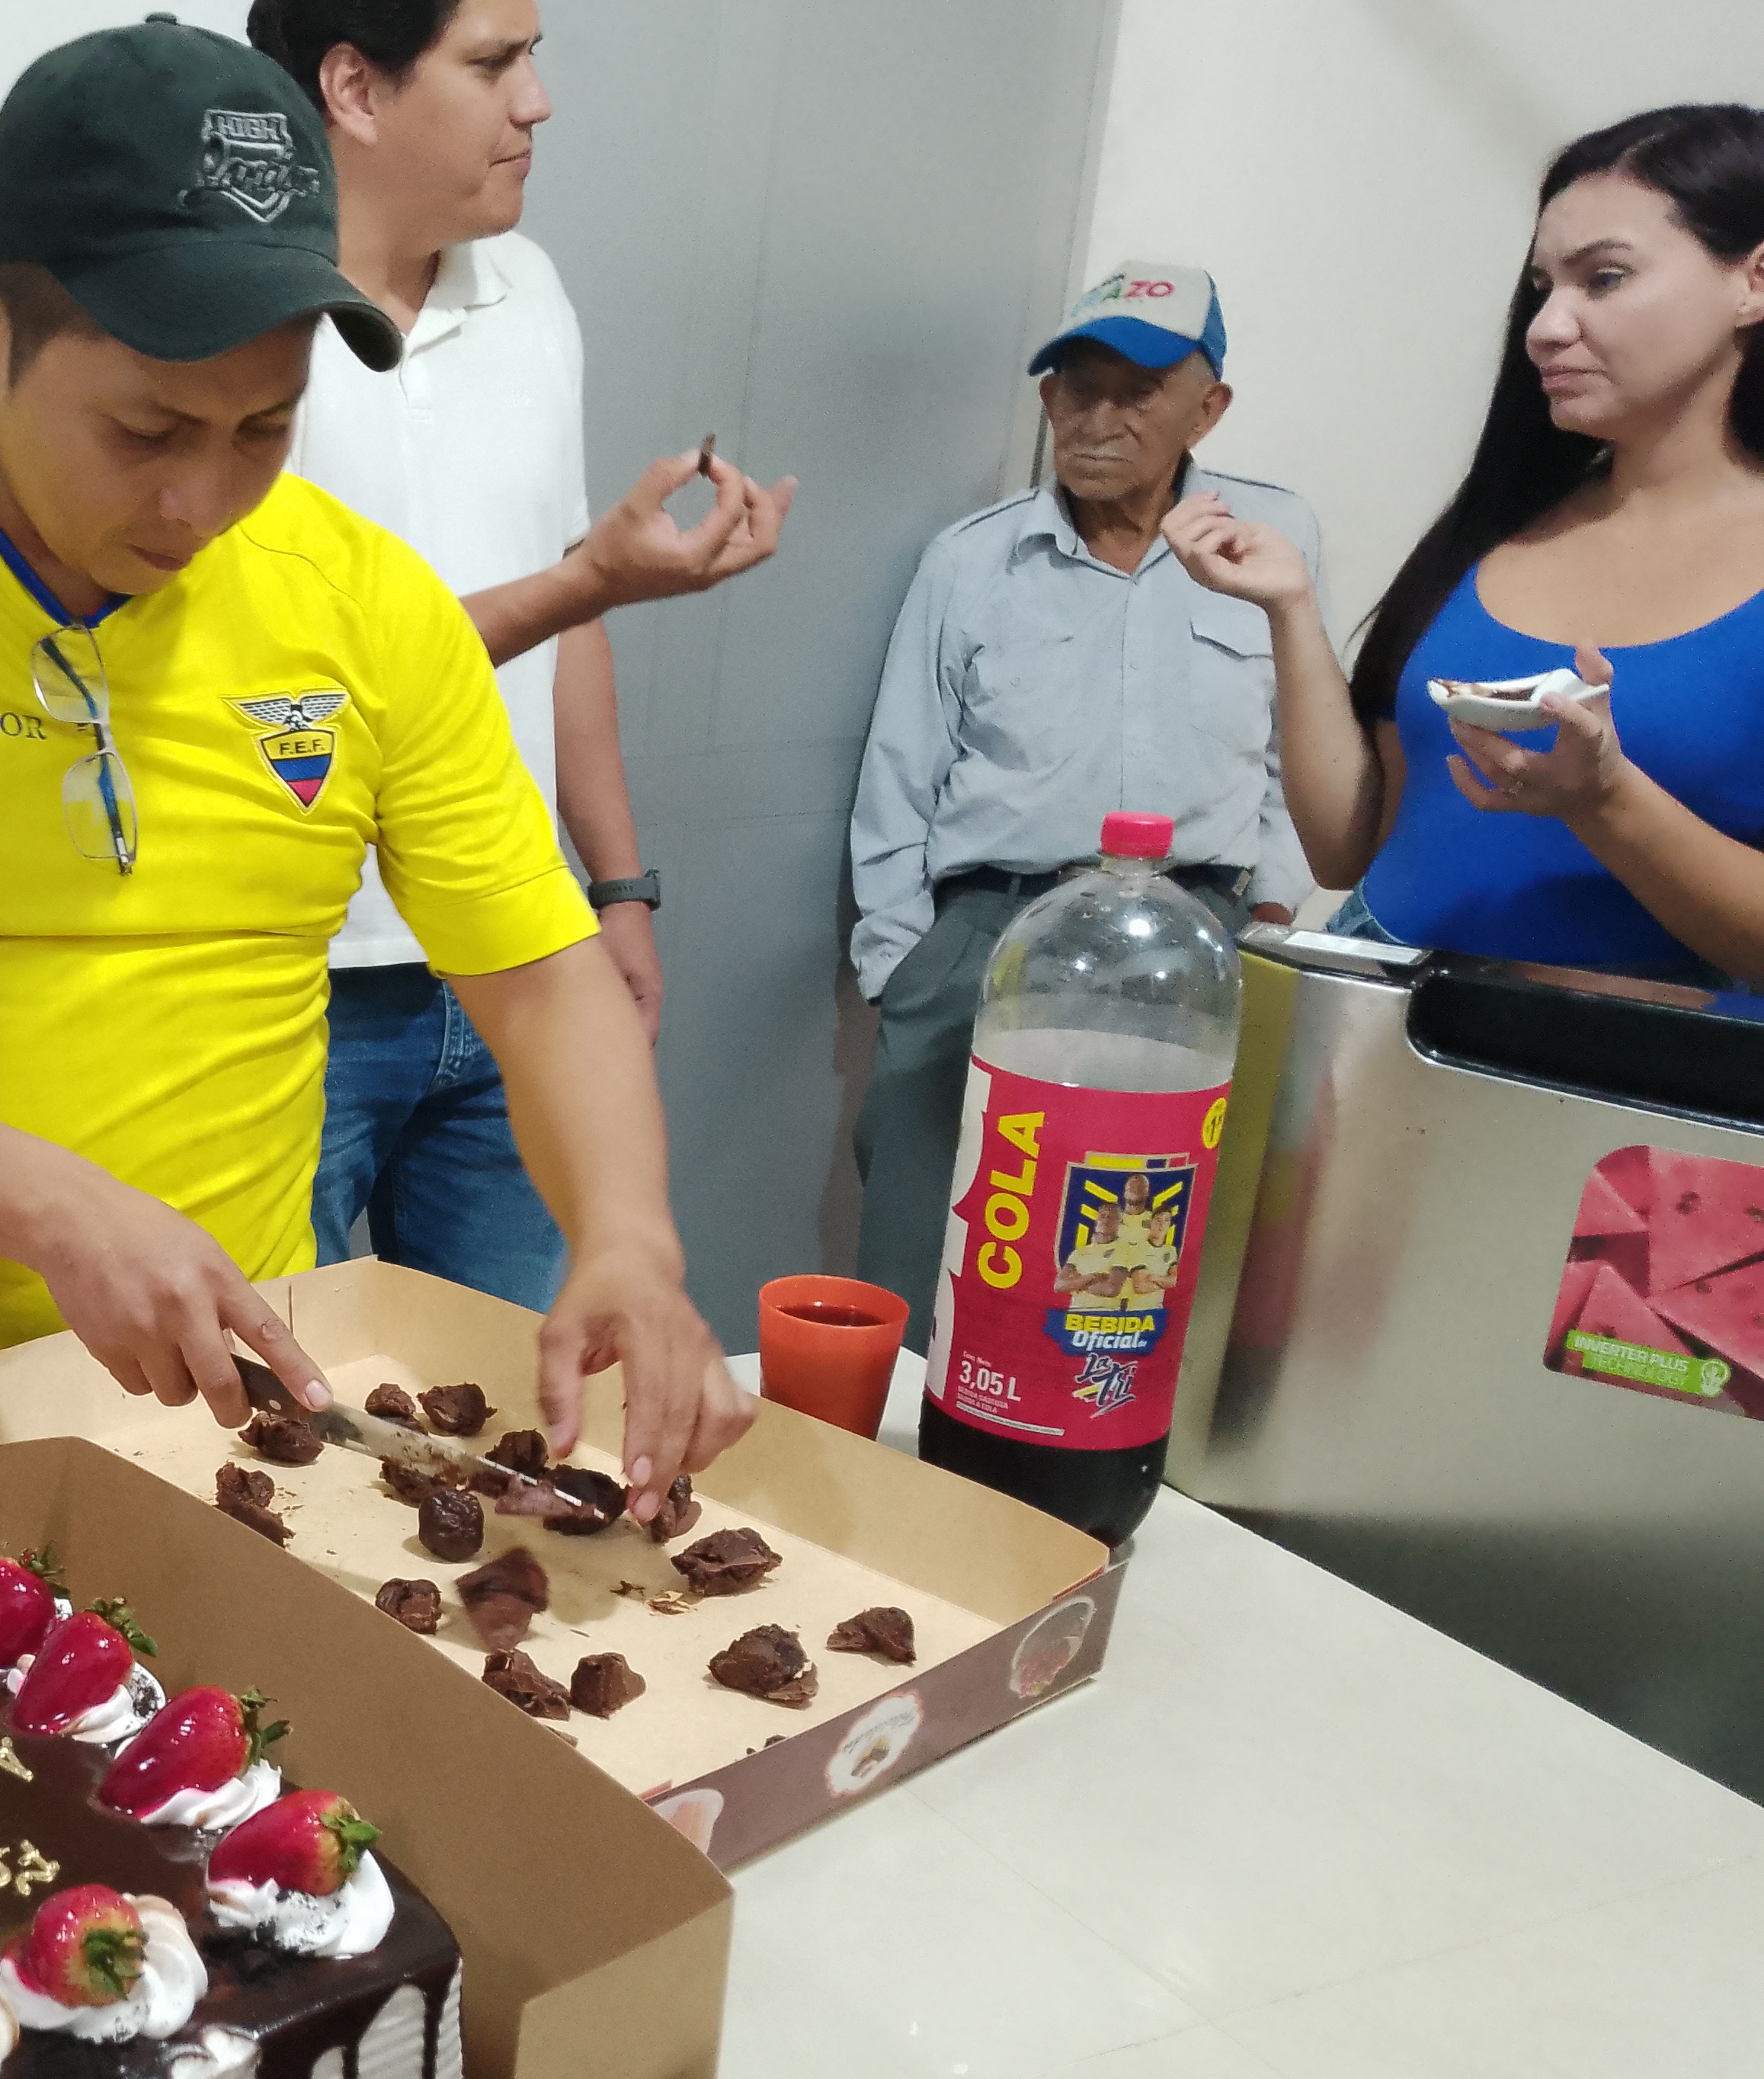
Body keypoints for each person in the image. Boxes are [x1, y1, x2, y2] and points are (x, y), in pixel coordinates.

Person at [0, 19, 754, 1524]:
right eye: (144, 430)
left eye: (265, 426)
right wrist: (57, 1209)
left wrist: (629, 1240)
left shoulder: (363, 599)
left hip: (222, 1427)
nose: (199, 500)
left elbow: (537, 973)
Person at [251, 0, 794, 1309]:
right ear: (354, 88)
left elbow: (569, 612)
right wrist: (583, 580)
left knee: (514, 1388)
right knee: (288, 1389)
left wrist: (616, 886)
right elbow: (289, 677)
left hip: (515, 953)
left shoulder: (528, 290)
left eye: (532, 58)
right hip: (297, 977)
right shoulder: (237, 325)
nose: (537, 101)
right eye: (494, 63)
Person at [1169, 105, 1764, 985]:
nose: (1544, 327)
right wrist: (1288, 608)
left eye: (1602, 279)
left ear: (1752, 282)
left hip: (1621, 1066)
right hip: (1377, 1030)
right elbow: (1346, 849)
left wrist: (1605, 802)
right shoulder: (1502, 523)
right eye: (1541, 287)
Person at [847, 261, 1311, 1345]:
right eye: (1075, 390)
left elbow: (1303, 743)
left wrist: (1271, 914)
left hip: (1190, 944)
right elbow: (899, 775)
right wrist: (903, 969)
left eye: (1137, 392)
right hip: (986, 937)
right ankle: (901, 1447)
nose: (1098, 420)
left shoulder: (1267, 545)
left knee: (1131, 1268)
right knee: (920, 1254)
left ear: (1207, 408)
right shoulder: (971, 561)